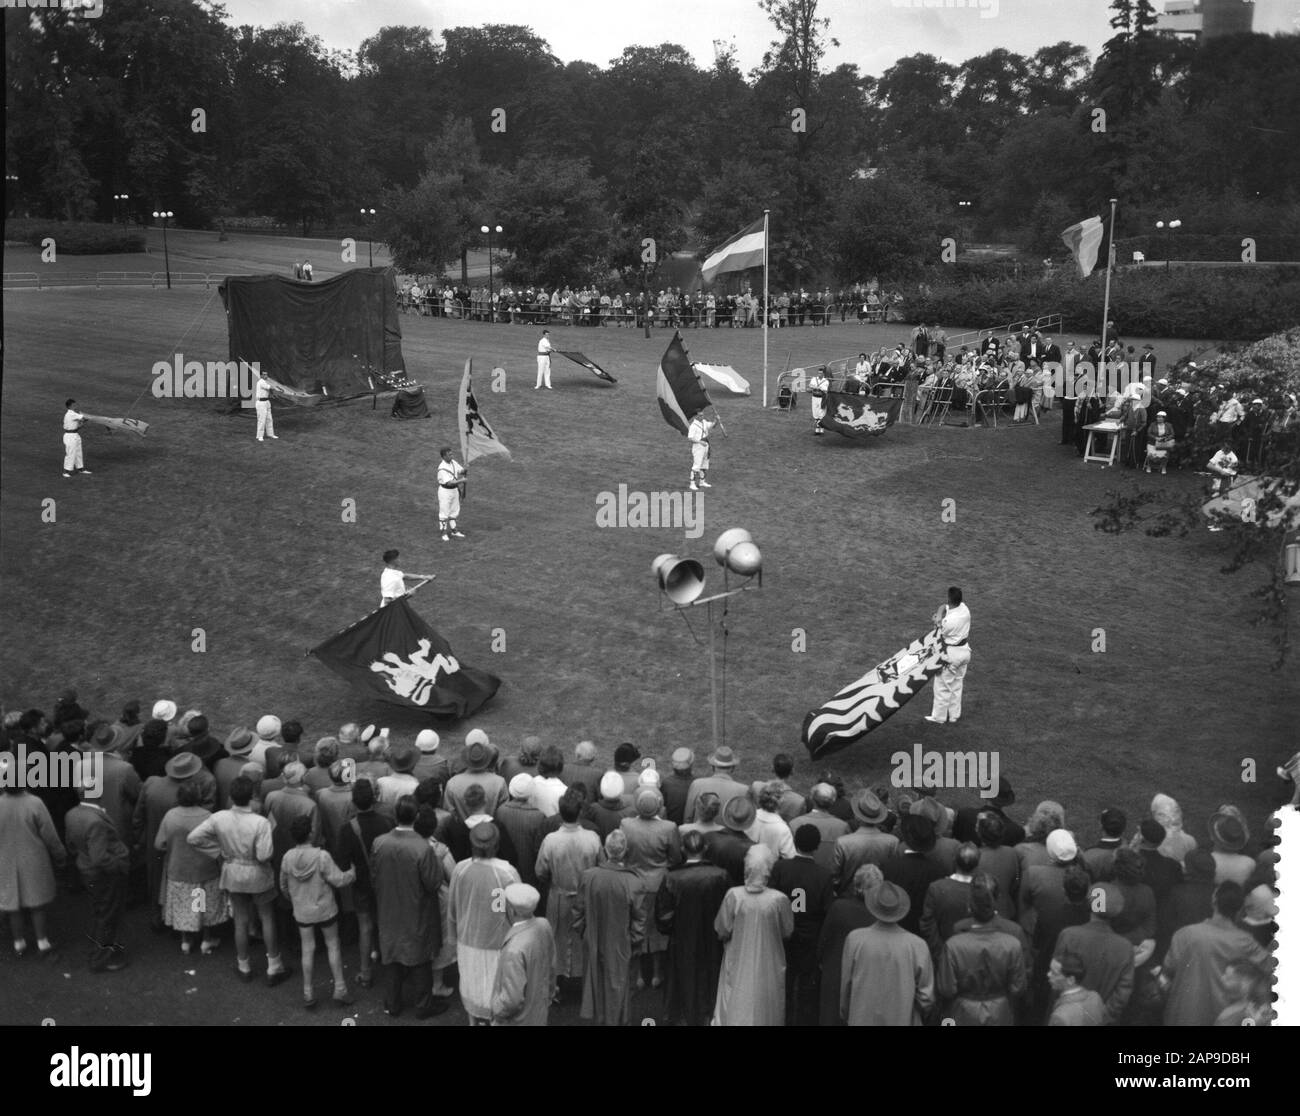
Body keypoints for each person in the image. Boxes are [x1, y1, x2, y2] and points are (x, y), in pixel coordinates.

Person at [187, 775, 292, 986]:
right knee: (266, 917)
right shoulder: (260, 822)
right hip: (257, 873)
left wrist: (218, 852)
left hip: (233, 872)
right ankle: (274, 965)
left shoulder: (219, 818)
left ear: (231, 796)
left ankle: (243, 965)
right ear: (251, 796)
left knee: (240, 920)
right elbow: (264, 855)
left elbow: (193, 838)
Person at [370, 796, 447, 1018]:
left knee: (392, 955)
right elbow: (433, 883)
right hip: (416, 908)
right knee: (420, 957)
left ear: (396, 815)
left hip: (388, 907)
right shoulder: (422, 847)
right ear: (416, 816)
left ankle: (392, 1003)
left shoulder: (379, 842)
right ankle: (423, 1005)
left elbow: (373, 874)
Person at [1161, 881, 1271, 1026]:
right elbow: (1270, 970)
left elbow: (1166, 974)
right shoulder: (1246, 942)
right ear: (1240, 909)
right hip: (1224, 1018)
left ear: (1213, 901)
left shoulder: (1184, 935)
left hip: (1182, 1016)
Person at [280, 813, 356, 1009]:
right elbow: (339, 880)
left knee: (307, 949)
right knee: (333, 945)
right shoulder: (322, 856)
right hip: (325, 909)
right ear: (310, 833)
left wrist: (294, 899)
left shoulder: (287, 858)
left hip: (302, 911)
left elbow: (283, 885)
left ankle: (308, 993)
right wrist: (352, 872)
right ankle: (340, 989)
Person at [654, 829, 729, 1026]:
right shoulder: (721, 876)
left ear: (682, 849)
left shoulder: (672, 878)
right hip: (713, 940)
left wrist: (675, 929)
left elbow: (663, 918)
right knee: (711, 983)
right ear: (705, 848)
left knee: (683, 986)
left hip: (682, 940)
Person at [448, 822, 521, 1024]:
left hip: (467, 940)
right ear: (497, 844)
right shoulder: (508, 872)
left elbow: (452, 907)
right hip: (499, 943)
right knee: (497, 991)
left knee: (471, 987)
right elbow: (516, 911)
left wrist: (452, 938)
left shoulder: (460, 869)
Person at [713, 845, 794, 1026]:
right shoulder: (779, 899)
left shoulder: (734, 895)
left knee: (735, 996)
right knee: (767, 1001)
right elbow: (787, 931)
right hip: (770, 960)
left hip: (738, 958)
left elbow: (722, 929)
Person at [574, 829, 646, 1025]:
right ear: (625, 851)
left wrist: (585, 933)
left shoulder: (588, 876)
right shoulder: (634, 881)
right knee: (619, 988)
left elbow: (578, 911)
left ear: (605, 850)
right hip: (621, 942)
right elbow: (639, 920)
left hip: (593, 938)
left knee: (595, 984)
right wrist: (634, 943)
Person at [840, 879, 934, 1026]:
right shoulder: (917, 945)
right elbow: (926, 998)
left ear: (874, 906)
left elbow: (846, 986)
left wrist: (847, 1014)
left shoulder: (855, 939)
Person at [936, 875, 1026, 1025]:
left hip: (964, 1011)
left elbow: (947, 989)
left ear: (970, 907)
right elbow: (1018, 987)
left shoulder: (954, 942)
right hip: (1000, 1011)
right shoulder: (1013, 942)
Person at [64, 776, 132, 972]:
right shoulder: (95, 821)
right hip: (104, 874)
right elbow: (100, 858)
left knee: (100, 911)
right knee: (108, 915)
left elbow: (70, 843)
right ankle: (102, 958)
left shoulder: (72, 814)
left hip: (86, 869)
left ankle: (99, 948)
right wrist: (119, 865)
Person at [770, 824, 835, 1025]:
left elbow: (772, 899)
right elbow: (828, 910)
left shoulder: (781, 868)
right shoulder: (823, 875)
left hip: (783, 933)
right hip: (810, 936)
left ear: (795, 842)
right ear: (817, 846)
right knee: (807, 984)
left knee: (784, 980)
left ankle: (783, 1018)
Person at [154, 780, 228, 955]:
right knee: (203, 905)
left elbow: (159, 844)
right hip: (205, 870)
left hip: (179, 870)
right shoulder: (208, 816)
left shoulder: (170, 816)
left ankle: (186, 940)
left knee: (185, 906)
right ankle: (206, 939)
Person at [332, 778, 393, 989]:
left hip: (361, 884)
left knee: (365, 926)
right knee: (386, 923)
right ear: (374, 798)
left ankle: (366, 972)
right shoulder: (387, 822)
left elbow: (342, 863)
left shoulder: (348, 829)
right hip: (385, 882)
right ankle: (390, 963)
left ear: (353, 801)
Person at [1051, 883, 1133, 1024]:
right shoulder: (1126, 947)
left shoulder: (1068, 935)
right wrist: (1101, 1016)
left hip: (1067, 1016)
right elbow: (1122, 993)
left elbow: (1056, 979)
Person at [490, 883, 557, 1025]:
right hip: (539, 1011)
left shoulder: (513, 950)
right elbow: (551, 965)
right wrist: (549, 995)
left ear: (512, 910)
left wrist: (496, 1010)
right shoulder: (544, 925)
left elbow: (511, 1000)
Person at [830, 790, 898, 895]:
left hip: (849, 895)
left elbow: (835, 876)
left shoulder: (843, 843)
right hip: (879, 897)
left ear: (857, 816)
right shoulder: (893, 842)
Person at [925, 586, 971, 724]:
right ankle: (954, 716)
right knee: (957, 684)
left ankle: (939, 717)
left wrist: (936, 621)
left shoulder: (949, 622)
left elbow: (937, 634)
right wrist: (939, 616)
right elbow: (943, 607)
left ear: (949, 598)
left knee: (942, 686)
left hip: (951, 655)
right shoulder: (964, 609)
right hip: (965, 651)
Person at [1047, 953, 1106, 1025]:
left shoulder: (1060, 1017)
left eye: (1054, 973)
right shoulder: (1096, 997)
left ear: (1070, 980)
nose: (1048, 974)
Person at [436, 446, 467, 543]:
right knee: (444, 513)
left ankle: (454, 531)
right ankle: (444, 533)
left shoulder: (453, 462)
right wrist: (461, 480)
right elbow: (449, 483)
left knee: (454, 511)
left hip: (454, 491)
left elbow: (460, 471)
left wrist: (465, 469)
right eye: (449, 455)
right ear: (444, 456)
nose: (452, 456)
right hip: (445, 492)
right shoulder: (442, 468)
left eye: (451, 454)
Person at [62, 398, 93, 478]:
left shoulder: (73, 414)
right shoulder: (71, 414)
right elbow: (84, 418)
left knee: (78, 452)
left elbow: (78, 426)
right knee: (70, 453)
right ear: (70, 406)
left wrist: (82, 422)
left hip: (75, 435)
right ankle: (65, 472)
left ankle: (81, 469)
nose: (75, 406)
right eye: (74, 405)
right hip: (70, 436)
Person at [687, 415, 714, 493]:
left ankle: (702, 482)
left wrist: (716, 420)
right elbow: (690, 438)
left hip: (706, 445)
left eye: (702, 415)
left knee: (704, 464)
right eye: (700, 415)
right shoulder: (693, 425)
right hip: (698, 447)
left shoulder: (704, 422)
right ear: (696, 416)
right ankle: (692, 484)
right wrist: (700, 442)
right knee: (697, 465)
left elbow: (711, 426)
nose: (702, 416)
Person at [253, 367, 278, 442]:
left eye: (266, 374)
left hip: (266, 402)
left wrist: (272, 394)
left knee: (269, 419)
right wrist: (279, 388)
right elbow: (270, 387)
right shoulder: (261, 382)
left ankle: (271, 434)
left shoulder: (266, 382)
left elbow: (268, 391)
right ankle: (260, 436)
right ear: (261, 375)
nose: (265, 376)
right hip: (261, 403)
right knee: (262, 420)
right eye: (264, 374)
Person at [808, 365, 829, 435]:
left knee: (821, 413)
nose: (819, 374)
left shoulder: (826, 381)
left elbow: (825, 389)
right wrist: (816, 387)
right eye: (818, 373)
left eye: (821, 373)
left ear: (823, 374)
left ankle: (820, 430)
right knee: (815, 413)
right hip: (814, 397)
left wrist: (818, 387)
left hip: (821, 398)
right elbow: (810, 386)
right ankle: (818, 429)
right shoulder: (814, 379)